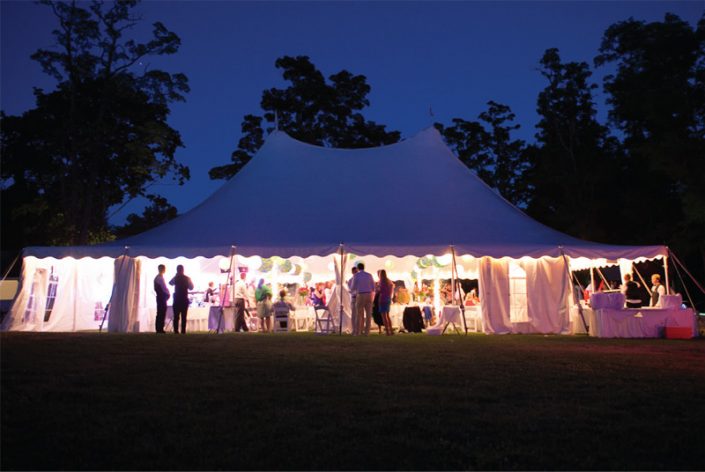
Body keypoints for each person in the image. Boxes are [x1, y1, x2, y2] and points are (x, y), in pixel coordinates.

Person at [350, 262, 375, 335]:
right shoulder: (369, 275)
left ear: (358, 268)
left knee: (359, 314)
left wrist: (353, 290)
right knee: (368, 314)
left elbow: (353, 287)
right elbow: (373, 287)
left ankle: (357, 332)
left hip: (360, 295)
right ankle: (367, 332)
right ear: (364, 267)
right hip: (369, 295)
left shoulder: (356, 275)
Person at [169, 265, 194, 334]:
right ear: (183, 270)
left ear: (177, 270)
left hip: (177, 299)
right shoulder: (187, 278)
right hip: (184, 299)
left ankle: (176, 331)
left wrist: (175, 275)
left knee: (176, 316)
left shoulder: (176, 278)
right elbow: (191, 287)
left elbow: (170, 283)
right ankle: (183, 331)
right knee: (184, 316)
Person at [377, 269, 394, 336]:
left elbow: (380, 291)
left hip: (382, 299)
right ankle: (391, 330)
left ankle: (387, 332)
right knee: (387, 315)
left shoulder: (381, 282)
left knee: (384, 316)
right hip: (388, 299)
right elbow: (392, 287)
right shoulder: (389, 281)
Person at [153, 264, 170, 333]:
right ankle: (159, 328)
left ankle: (159, 328)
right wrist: (167, 294)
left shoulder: (159, 277)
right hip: (161, 297)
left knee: (161, 312)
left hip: (161, 296)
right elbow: (163, 288)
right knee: (161, 312)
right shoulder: (159, 278)